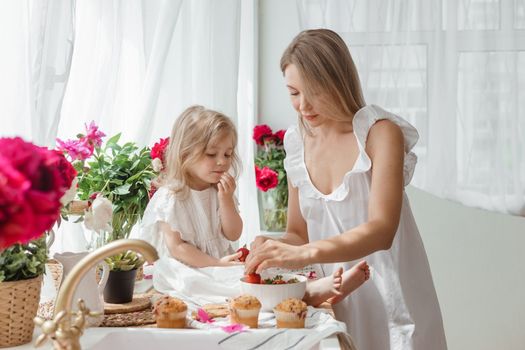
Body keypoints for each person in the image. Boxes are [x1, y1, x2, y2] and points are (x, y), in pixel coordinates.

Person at [245, 29, 447, 350]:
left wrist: (301, 253)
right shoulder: (296, 143)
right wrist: (269, 246)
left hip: (393, 301)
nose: (303, 106)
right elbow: (299, 233)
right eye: (294, 93)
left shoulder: (380, 134)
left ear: (338, 81)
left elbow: (382, 230)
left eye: (314, 91)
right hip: (340, 300)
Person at [139, 105, 243, 267]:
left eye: (227, 154)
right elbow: (177, 247)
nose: (222, 161)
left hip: (218, 265)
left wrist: (226, 200)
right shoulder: (171, 196)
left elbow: (234, 234)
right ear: (185, 154)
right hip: (184, 268)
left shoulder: (219, 191)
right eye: (211, 154)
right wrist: (215, 264)